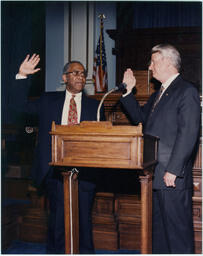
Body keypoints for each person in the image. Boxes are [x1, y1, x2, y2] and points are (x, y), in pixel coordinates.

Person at [12, 54, 105, 254]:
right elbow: (19, 107)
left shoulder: (95, 106)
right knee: (57, 223)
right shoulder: (48, 100)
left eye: (83, 74)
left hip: (85, 174)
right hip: (54, 173)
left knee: (83, 224)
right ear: (64, 78)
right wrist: (22, 76)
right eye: (75, 73)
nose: (81, 77)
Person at [120, 44, 200, 254]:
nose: (150, 67)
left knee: (177, 235)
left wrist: (173, 169)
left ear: (167, 62)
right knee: (159, 234)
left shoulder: (186, 91)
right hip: (154, 174)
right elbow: (140, 119)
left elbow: (188, 133)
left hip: (172, 176)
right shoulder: (160, 94)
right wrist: (128, 91)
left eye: (153, 62)